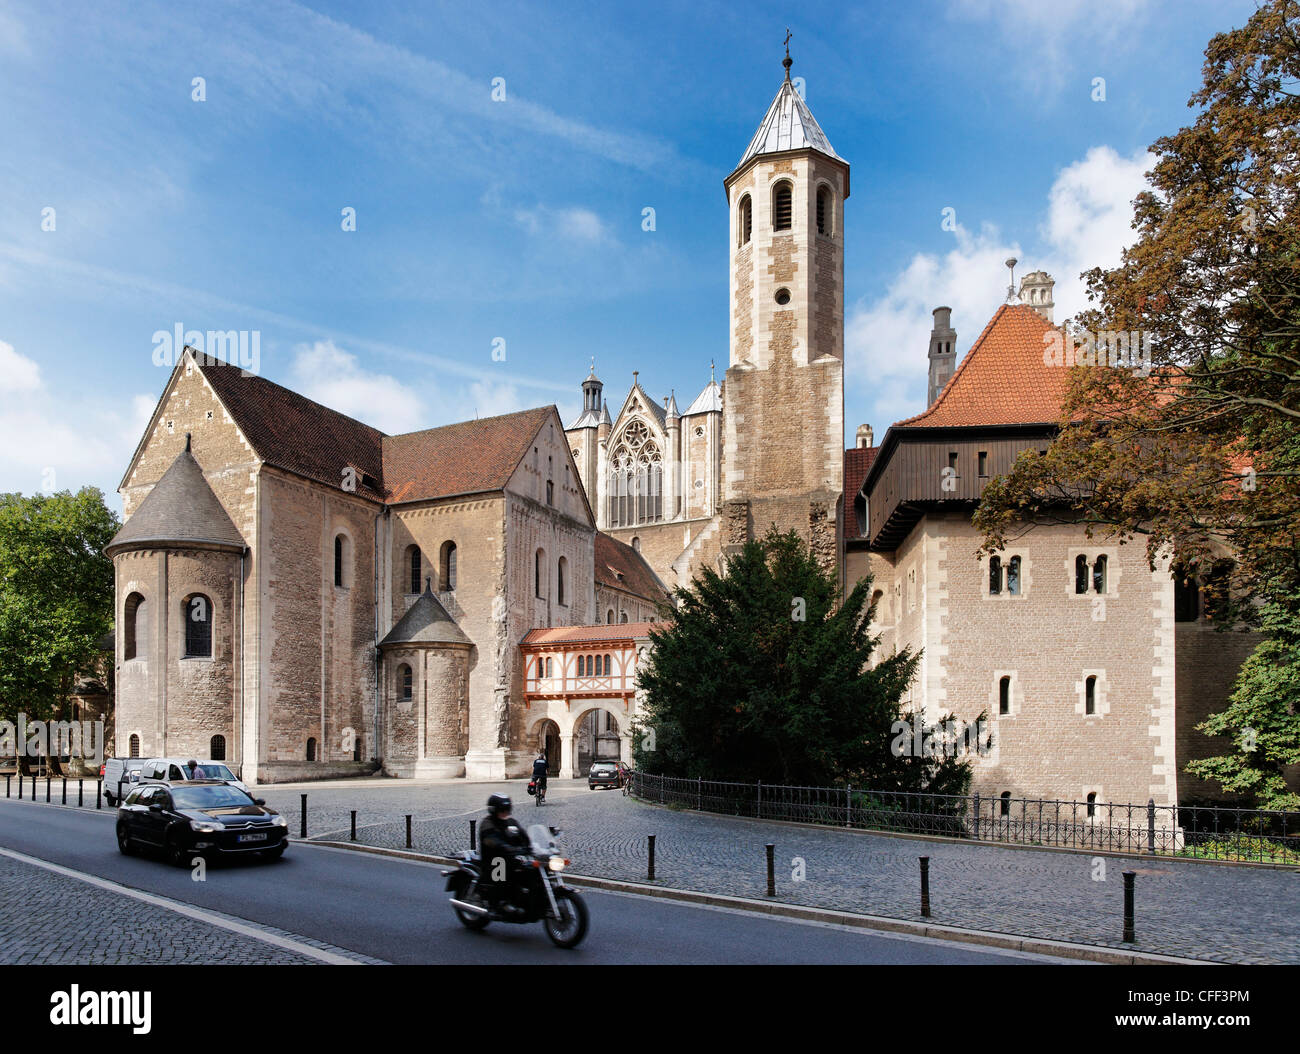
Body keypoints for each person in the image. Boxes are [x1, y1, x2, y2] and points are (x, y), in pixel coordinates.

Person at [478, 793, 532, 911]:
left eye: (507, 810)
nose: (505, 813)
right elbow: (491, 840)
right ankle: (500, 902)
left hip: (511, 857)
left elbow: (523, 835)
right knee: (500, 867)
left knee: (529, 869)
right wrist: (505, 847)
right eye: (502, 810)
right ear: (493, 810)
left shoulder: (511, 822)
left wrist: (530, 846)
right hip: (493, 859)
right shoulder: (487, 823)